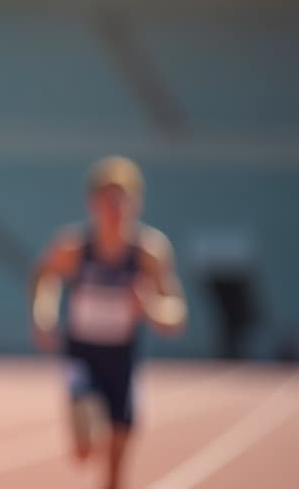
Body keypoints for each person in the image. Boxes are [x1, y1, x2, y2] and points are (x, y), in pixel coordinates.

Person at [30, 156, 187, 489]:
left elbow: (176, 314)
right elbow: (44, 276)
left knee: (116, 465)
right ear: (93, 203)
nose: (115, 208)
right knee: (87, 445)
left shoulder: (149, 252)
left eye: (123, 199)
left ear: (136, 202)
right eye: (108, 199)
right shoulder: (73, 247)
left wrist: (150, 307)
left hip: (123, 359)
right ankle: (82, 426)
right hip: (82, 355)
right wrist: (43, 313)